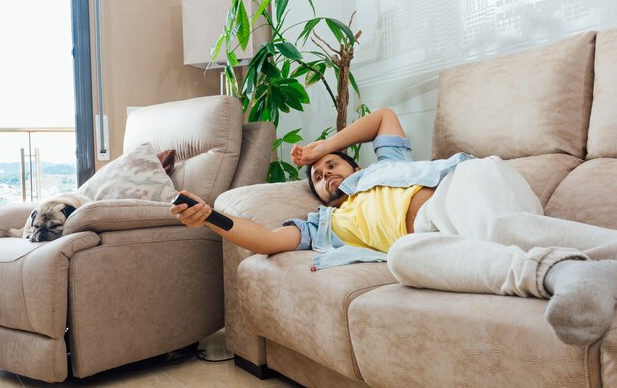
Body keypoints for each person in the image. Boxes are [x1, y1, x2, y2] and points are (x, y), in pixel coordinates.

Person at [171, 108, 617, 347]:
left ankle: (580, 266)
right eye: (319, 178)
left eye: (332, 166)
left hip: (468, 186)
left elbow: (383, 116)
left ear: (352, 162)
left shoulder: (388, 164)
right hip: (437, 234)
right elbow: (265, 239)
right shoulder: (328, 225)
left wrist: (318, 148)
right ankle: (568, 273)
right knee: (404, 258)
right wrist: (210, 215)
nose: (325, 175)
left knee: (498, 228)